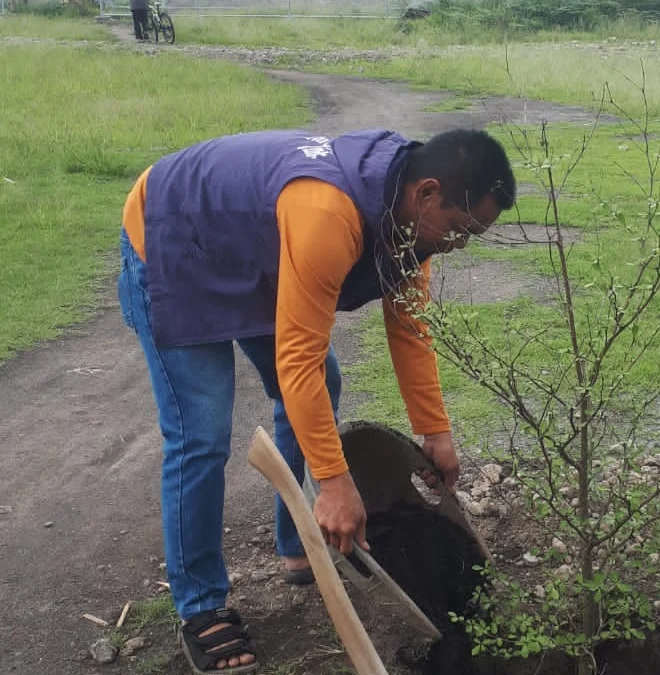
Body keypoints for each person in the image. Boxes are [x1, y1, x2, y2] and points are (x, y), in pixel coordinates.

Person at [117, 128, 515, 673]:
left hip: (252, 250)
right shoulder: (328, 213)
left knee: (319, 386)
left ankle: (298, 539)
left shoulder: (410, 229)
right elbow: (295, 358)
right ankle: (201, 605)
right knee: (201, 433)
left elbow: (411, 330)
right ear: (427, 193)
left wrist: (436, 432)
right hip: (175, 237)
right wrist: (334, 481)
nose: (460, 244)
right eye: (459, 229)